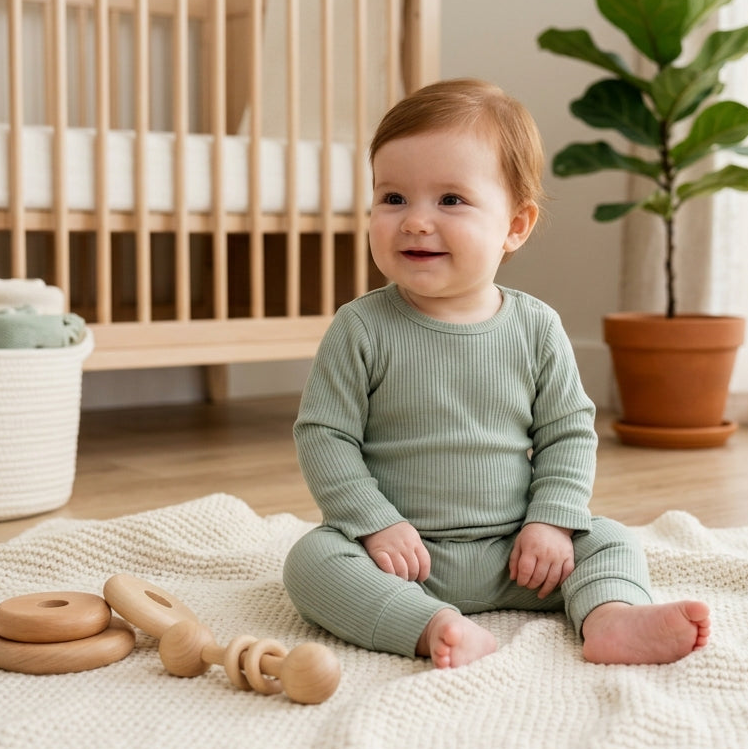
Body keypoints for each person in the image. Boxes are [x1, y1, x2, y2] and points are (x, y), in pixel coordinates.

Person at [282, 78, 710, 669]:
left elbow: (567, 434)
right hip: (401, 557)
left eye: (450, 200)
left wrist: (552, 524)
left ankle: (610, 618)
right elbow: (325, 436)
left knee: (610, 539)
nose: (415, 221)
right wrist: (375, 525)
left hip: (519, 555)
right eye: (393, 198)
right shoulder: (361, 327)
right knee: (310, 562)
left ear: (516, 225)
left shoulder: (536, 328)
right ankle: (429, 626)